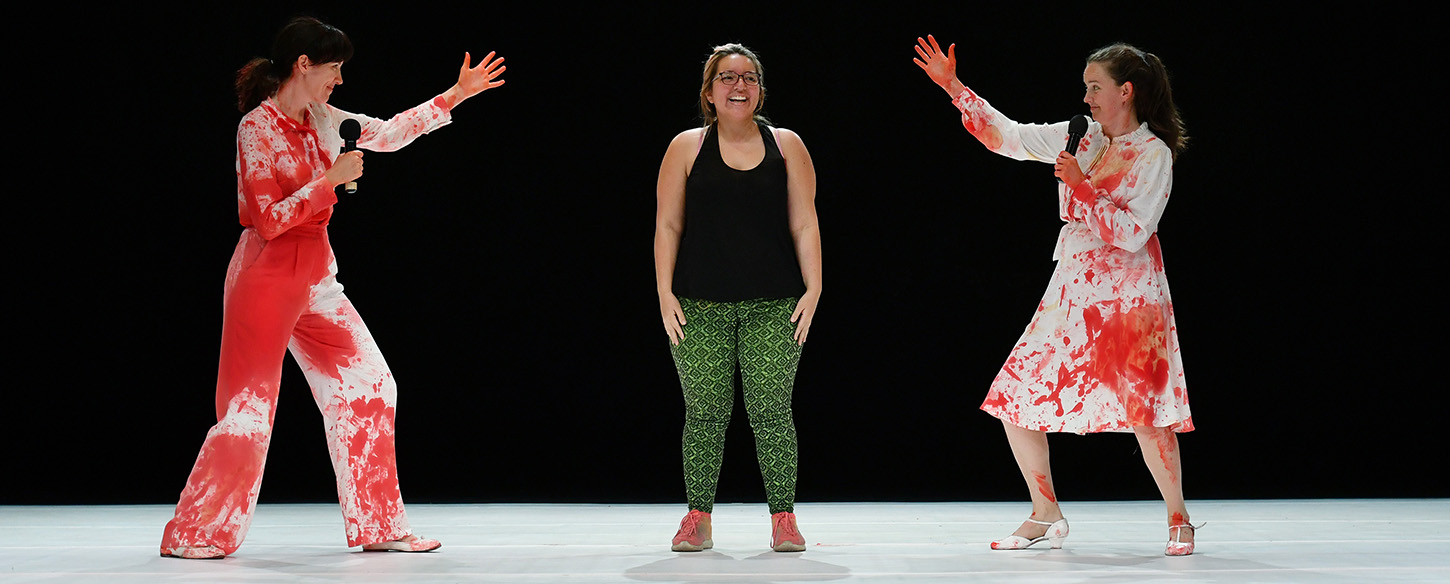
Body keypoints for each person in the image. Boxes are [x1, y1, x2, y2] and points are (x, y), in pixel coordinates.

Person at [159, 16, 505, 559]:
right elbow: (267, 219)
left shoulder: (323, 118)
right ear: (303, 64)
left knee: (369, 385)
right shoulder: (258, 127)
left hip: (316, 278)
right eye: (334, 68)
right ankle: (194, 534)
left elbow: (388, 133)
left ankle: (377, 525)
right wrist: (330, 181)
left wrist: (455, 95)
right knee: (248, 412)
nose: (339, 80)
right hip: (266, 277)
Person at [913, 35, 1200, 556]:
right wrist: (955, 88)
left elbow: (1135, 232)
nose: (1086, 97)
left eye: (1096, 87)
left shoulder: (1153, 154)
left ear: (1126, 91)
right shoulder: (1080, 136)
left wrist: (1084, 189)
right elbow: (1009, 138)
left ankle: (1179, 518)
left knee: (1146, 411)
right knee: (1014, 399)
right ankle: (1045, 512)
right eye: (1086, 87)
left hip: (1129, 296)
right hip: (1072, 288)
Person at [654, 43, 823, 553]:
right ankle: (698, 518)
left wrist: (814, 288)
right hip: (698, 303)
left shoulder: (787, 144)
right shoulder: (686, 147)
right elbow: (668, 224)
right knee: (704, 412)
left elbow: (804, 221)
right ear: (709, 92)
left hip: (774, 303)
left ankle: (784, 519)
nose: (738, 85)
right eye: (727, 77)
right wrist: (664, 293)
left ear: (760, 90)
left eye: (748, 77)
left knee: (771, 411)